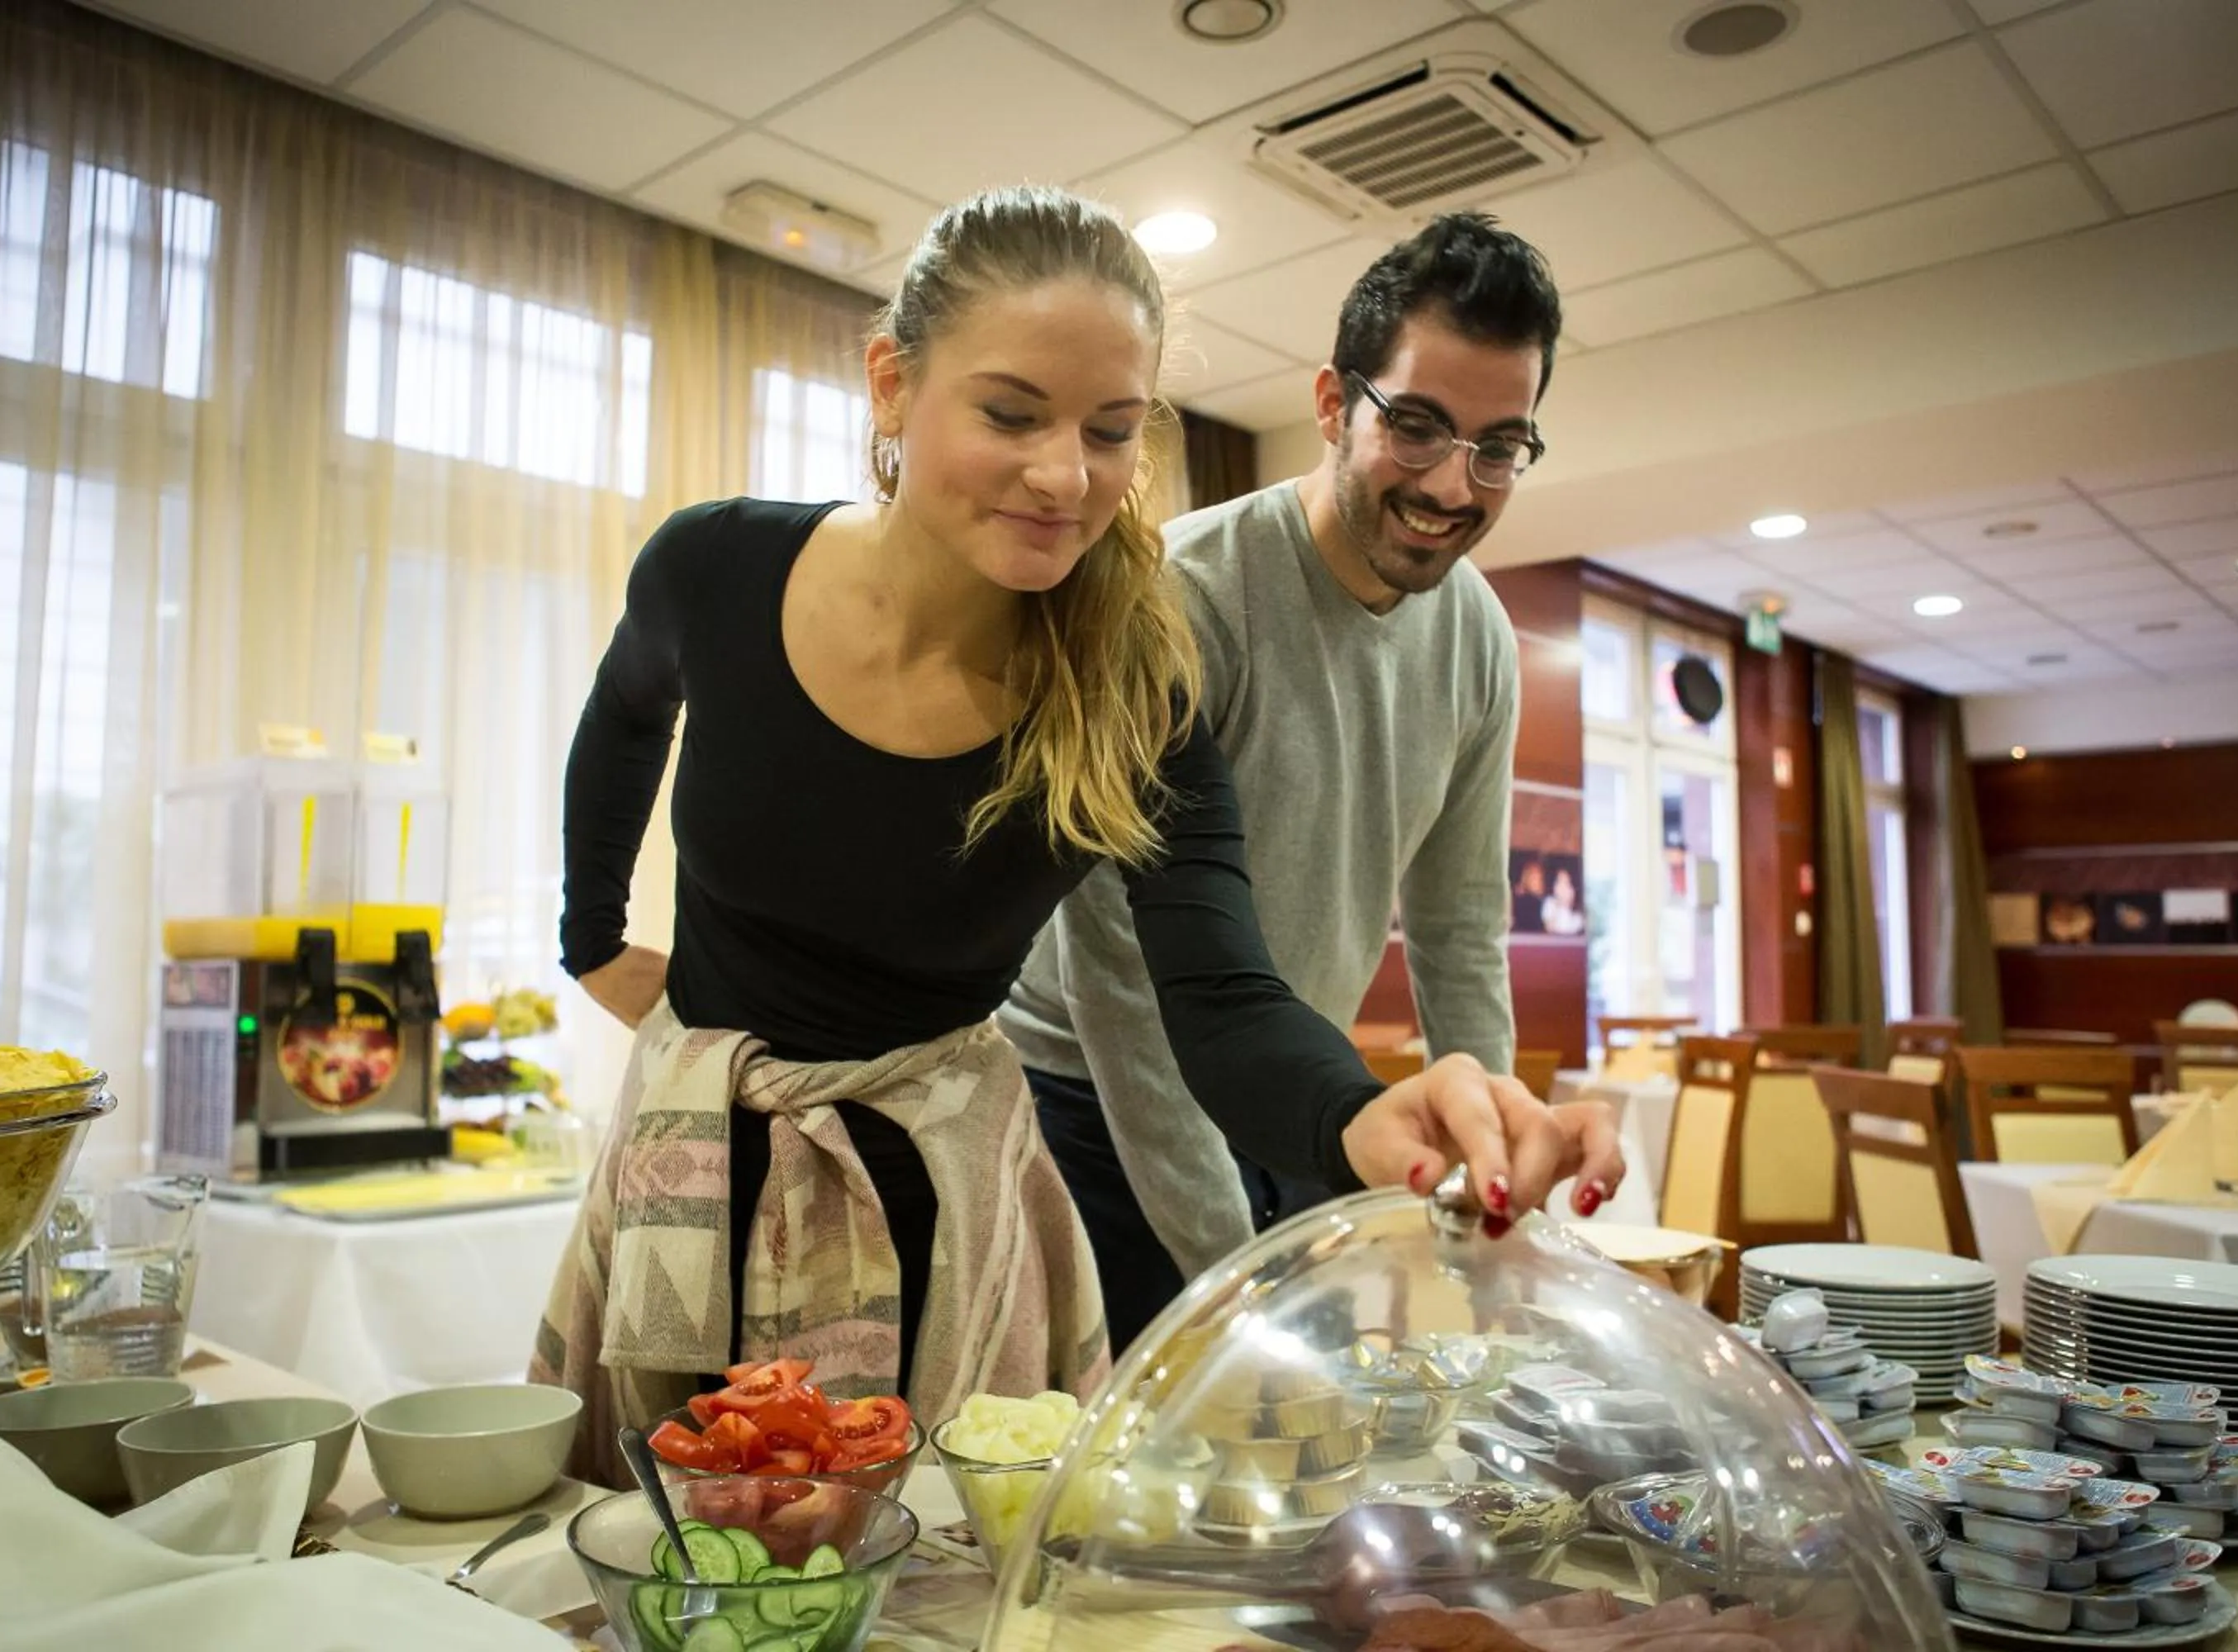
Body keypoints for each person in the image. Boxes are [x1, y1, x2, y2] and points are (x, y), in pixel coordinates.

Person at [530, 186, 1618, 1488]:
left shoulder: (1125, 680)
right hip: (695, 1164)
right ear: (892, 384)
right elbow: (626, 711)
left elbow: (1217, 994)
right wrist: (591, 935)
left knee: (919, 1565)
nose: (1067, 475)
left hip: (944, 1194)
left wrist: (1363, 1113)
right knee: (663, 1550)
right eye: (1011, 413)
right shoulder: (716, 568)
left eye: (1111, 432)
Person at [1002, 214, 1623, 1350]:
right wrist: (1229, 1271)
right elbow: (1122, 988)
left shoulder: (1478, 637)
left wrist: (1484, 1161)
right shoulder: (1184, 601)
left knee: (1315, 1436)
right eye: (1421, 427)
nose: (1454, 483)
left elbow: (1460, 929)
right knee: (1160, 1437)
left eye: (1499, 446)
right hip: (1090, 1095)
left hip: (1298, 1083)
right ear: (1337, 405)